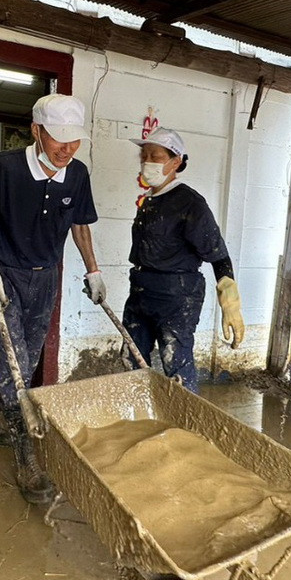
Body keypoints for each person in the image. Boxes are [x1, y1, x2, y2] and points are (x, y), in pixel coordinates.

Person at [0, 94, 103, 504]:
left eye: (75, 141)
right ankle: (27, 462)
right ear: (36, 131)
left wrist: (93, 270)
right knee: (17, 372)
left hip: (46, 281)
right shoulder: (5, 167)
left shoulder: (76, 174)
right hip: (2, 278)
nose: (67, 149)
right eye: (59, 139)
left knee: (25, 359)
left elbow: (79, 226)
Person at [122, 127, 243, 392]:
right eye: (144, 155)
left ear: (175, 162)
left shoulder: (190, 203)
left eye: (155, 156)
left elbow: (218, 254)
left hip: (176, 296)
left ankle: (187, 428)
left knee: (175, 366)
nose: (147, 161)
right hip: (141, 290)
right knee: (131, 361)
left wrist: (230, 300)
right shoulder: (149, 201)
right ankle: (139, 423)